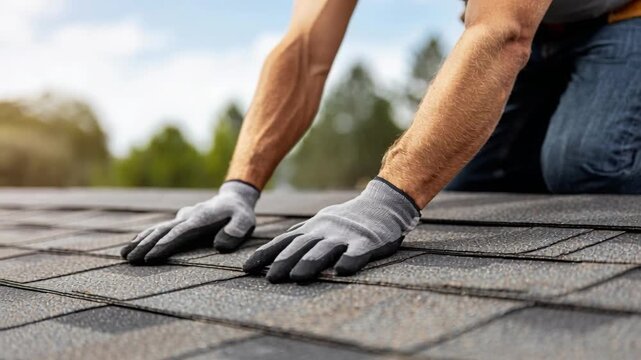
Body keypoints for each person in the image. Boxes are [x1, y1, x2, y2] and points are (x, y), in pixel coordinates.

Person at [121, 0, 641, 283]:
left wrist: (390, 201)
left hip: (623, 17)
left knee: (586, 167)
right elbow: (304, 49)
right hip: (541, 30)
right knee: (464, 185)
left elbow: (502, 32)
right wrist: (239, 186)